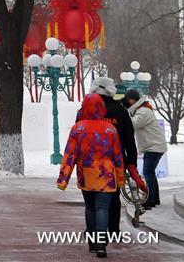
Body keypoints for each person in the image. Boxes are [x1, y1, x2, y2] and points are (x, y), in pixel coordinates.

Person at [58, 93, 125, 258]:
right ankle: (102, 244)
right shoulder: (110, 129)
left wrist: (63, 179)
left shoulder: (78, 128)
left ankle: (93, 243)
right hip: (107, 175)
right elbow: (118, 156)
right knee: (103, 208)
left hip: (86, 174)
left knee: (90, 207)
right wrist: (121, 178)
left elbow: (70, 155)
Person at [89, 77, 145, 234]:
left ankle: (94, 232)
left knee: (92, 200)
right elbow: (129, 139)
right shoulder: (121, 111)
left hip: (90, 161)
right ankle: (113, 230)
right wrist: (131, 162)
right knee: (113, 198)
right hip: (115, 161)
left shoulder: (86, 110)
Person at [125, 89, 166, 209]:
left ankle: (150, 199)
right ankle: (155, 198)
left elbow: (132, 124)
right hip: (154, 146)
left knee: (148, 172)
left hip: (154, 147)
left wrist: (123, 115)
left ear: (132, 100)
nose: (127, 103)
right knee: (150, 172)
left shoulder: (143, 111)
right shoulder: (141, 109)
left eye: (128, 100)